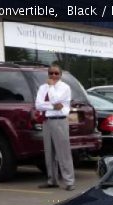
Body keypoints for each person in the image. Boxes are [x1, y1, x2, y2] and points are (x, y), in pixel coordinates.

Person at [35, 63, 75, 191]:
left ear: (60, 75)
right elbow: (38, 105)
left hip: (59, 121)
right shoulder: (42, 87)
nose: (53, 75)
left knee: (63, 153)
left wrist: (51, 87)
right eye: (51, 73)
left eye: (56, 73)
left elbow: (55, 99)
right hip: (47, 121)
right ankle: (52, 180)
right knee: (49, 153)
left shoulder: (65, 87)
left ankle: (69, 181)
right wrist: (52, 106)